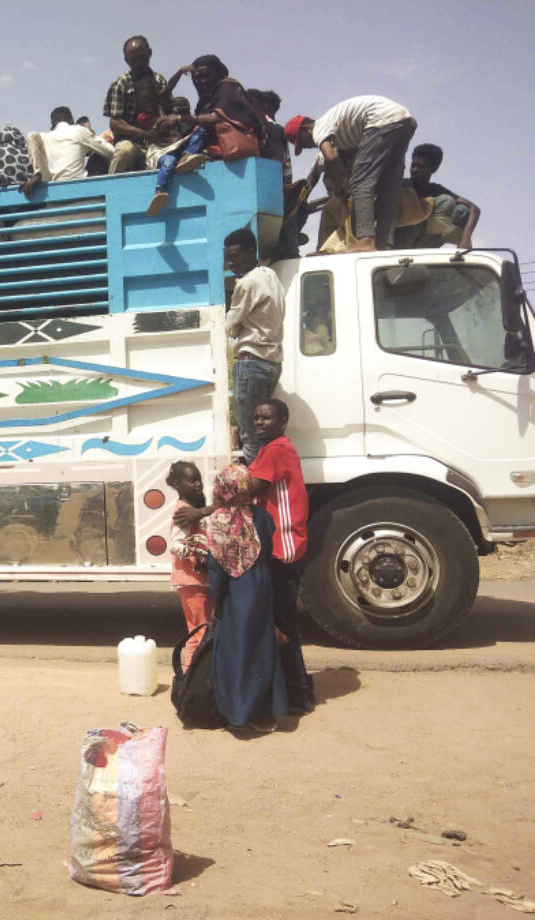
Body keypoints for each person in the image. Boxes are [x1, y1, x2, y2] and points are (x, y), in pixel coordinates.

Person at [206, 464, 287, 732]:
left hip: (236, 591)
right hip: (261, 586)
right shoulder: (261, 517)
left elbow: (216, 570)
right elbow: (267, 549)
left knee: (237, 649)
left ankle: (239, 713)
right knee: (261, 646)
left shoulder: (217, 522)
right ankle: (265, 712)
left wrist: (216, 600)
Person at [248, 399, 315, 715]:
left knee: (284, 626)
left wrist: (204, 509)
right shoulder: (268, 449)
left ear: (283, 421)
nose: (260, 423)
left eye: (267, 418)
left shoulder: (276, 449)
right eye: (257, 418)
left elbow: (246, 489)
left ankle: (299, 694)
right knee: (279, 622)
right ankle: (292, 688)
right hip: (276, 547)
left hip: (282, 549)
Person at [285, 95, 417, 251]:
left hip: (381, 121)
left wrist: (340, 190)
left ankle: (366, 240)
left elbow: (331, 159)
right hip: (404, 122)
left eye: (302, 142)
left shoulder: (319, 127)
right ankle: (384, 243)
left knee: (361, 183)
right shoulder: (339, 130)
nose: (307, 146)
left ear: (306, 129)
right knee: (389, 188)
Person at [224, 227, 285, 464]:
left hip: (251, 363)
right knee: (266, 435)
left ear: (252, 252)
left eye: (235, 257)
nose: (231, 263)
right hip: (271, 362)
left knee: (250, 436)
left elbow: (230, 326)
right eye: (228, 258)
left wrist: (236, 326)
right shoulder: (271, 276)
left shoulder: (247, 283)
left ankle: (255, 494)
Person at [135, 81, 207, 216]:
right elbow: (153, 131)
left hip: (177, 147)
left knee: (202, 131)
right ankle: (160, 191)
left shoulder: (177, 117)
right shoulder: (151, 119)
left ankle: (186, 157)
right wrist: (162, 125)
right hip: (160, 151)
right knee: (170, 162)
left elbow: (167, 91)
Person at [102, 35, 171, 174]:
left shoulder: (160, 81)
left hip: (159, 142)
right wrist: (145, 134)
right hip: (130, 141)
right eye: (133, 60)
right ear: (126, 60)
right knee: (124, 151)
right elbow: (115, 123)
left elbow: (169, 110)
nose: (138, 63)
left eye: (142, 57)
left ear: (150, 53)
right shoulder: (121, 84)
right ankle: (112, 190)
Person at [394, 143, 481, 249]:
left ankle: (423, 251)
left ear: (433, 169)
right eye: (413, 165)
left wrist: (466, 238)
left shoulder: (435, 190)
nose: (415, 170)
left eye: (421, 166)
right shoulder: (401, 185)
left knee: (460, 209)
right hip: (397, 239)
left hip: (420, 242)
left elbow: (474, 209)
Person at [167, 461, 210, 668]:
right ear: (177, 484)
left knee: (195, 632)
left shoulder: (192, 508)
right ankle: (196, 678)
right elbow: (175, 545)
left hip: (194, 580)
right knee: (201, 632)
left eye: (199, 480)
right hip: (192, 580)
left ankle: (189, 677)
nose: (198, 484)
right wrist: (196, 555)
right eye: (192, 481)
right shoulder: (183, 511)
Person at [21, 106, 114, 194]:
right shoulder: (79, 130)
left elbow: (31, 136)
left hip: (53, 193)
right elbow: (110, 151)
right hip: (79, 189)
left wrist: (37, 173)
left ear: (52, 125)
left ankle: (38, 175)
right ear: (72, 121)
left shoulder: (44, 138)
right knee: (97, 157)